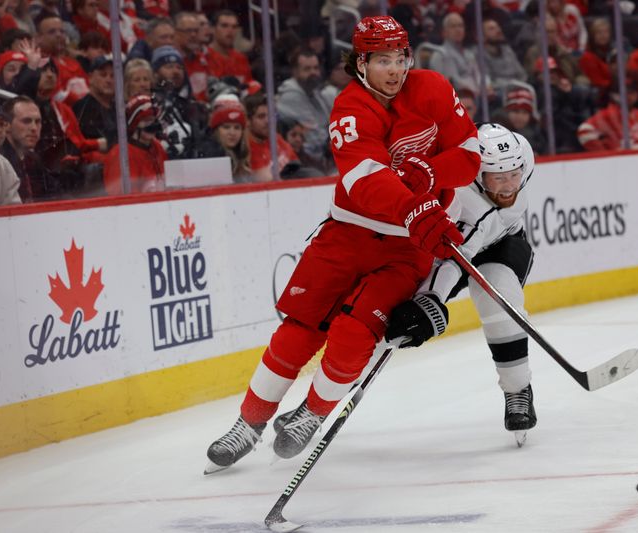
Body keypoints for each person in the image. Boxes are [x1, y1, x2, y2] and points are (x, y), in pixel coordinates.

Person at [205, 15, 480, 473]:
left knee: (354, 334)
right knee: (298, 330)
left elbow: (470, 155)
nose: (394, 70)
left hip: (405, 249)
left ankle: (311, 414)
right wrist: (416, 208)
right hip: (347, 233)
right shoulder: (349, 108)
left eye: (400, 59)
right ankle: (248, 424)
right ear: (360, 63)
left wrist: (432, 175)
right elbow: (366, 179)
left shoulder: (431, 87)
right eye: (382, 61)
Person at [385, 123, 537, 444]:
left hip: (504, 244)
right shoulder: (469, 202)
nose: (509, 185)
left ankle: (518, 391)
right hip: (460, 249)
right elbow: (456, 258)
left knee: (497, 295)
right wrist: (431, 299)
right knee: (391, 317)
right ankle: (320, 404)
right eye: (498, 177)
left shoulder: (522, 153)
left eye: (514, 175)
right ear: (480, 178)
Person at [103, 94, 167, 195]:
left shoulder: (157, 147)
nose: (152, 125)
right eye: (146, 120)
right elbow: (122, 199)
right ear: (134, 124)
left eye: (154, 120)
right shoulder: (121, 155)